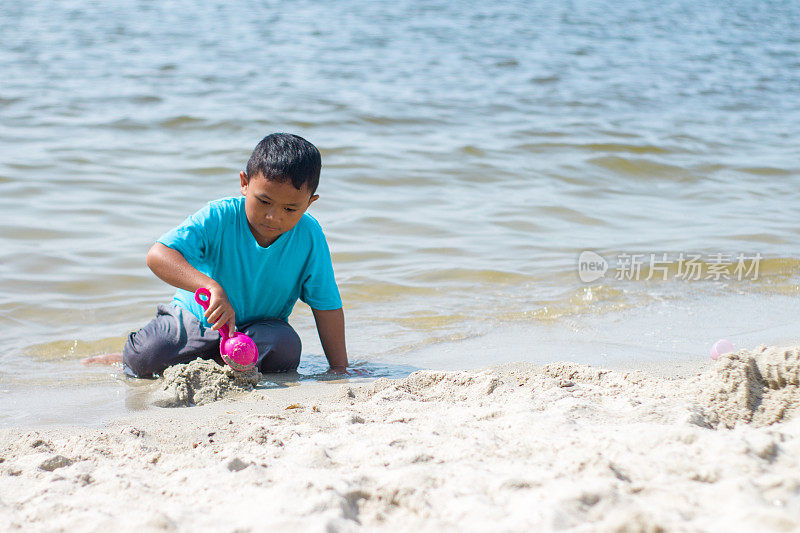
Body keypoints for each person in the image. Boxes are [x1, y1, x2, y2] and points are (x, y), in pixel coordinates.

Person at [84, 133, 355, 377]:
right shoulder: (219, 216)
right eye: (264, 202)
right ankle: (127, 357)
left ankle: (220, 360)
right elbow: (158, 255)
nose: (274, 217)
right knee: (145, 356)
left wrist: (339, 367)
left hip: (258, 333)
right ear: (244, 183)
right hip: (196, 322)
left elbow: (326, 305)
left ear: (309, 203)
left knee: (286, 349)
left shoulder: (310, 236)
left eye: (291, 209)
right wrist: (210, 287)